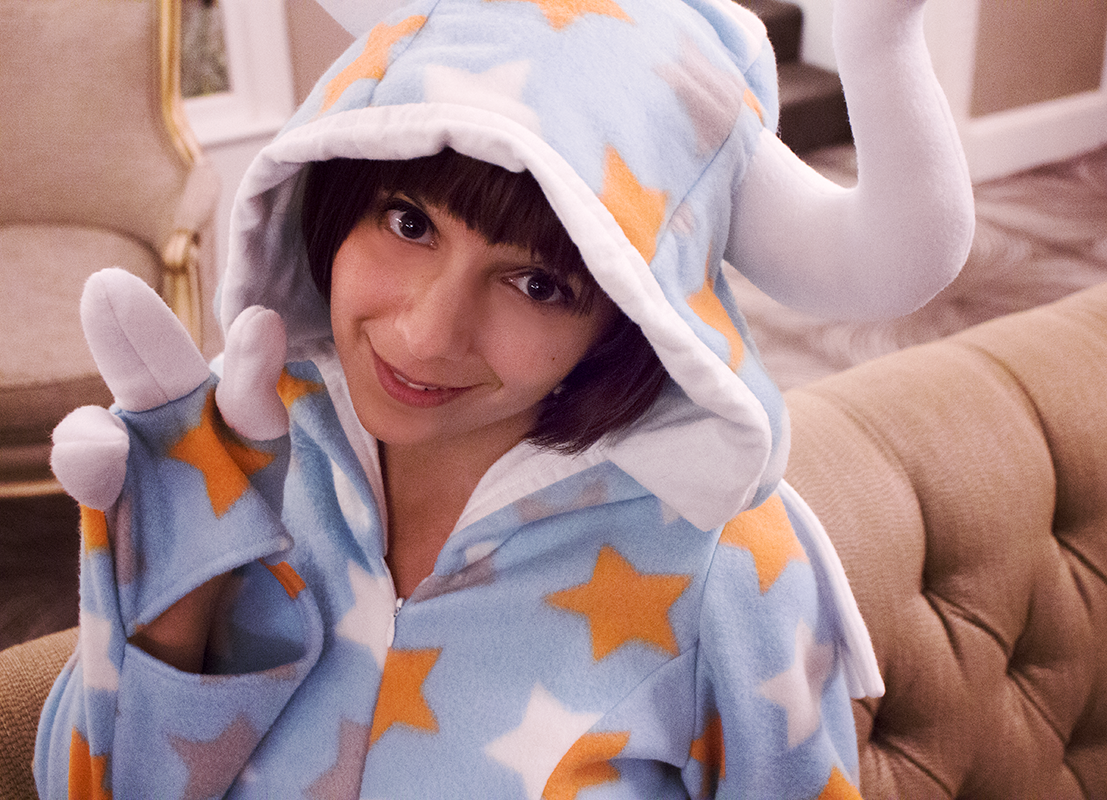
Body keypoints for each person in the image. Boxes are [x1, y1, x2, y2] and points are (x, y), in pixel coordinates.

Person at [35, 0, 974, 796]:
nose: (425, 335)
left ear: (627, 316)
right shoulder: (237, 449)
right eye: (408, 222)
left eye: (537, 284)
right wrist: (181, 574)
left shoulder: (726, 566)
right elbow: (87, 783)